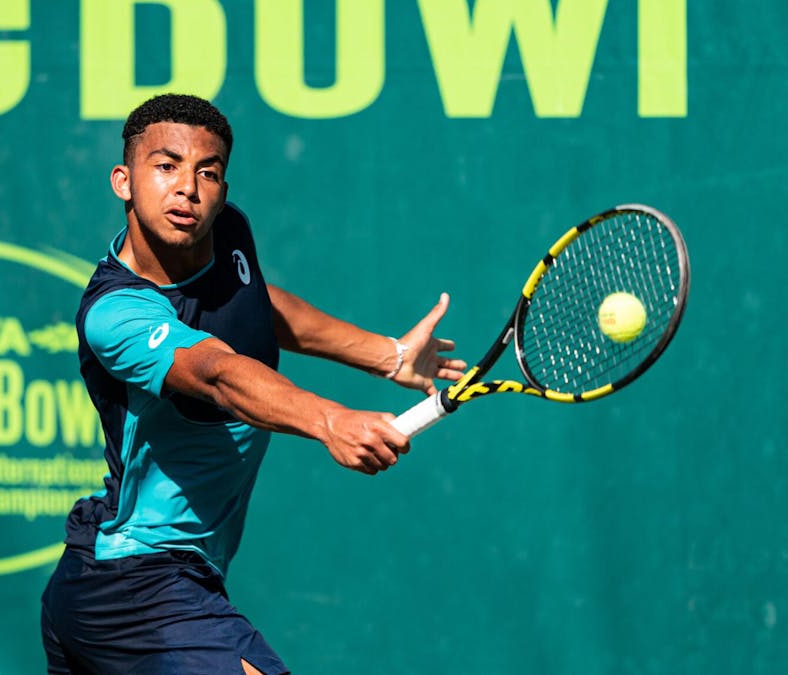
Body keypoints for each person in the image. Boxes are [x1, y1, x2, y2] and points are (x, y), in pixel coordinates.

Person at [40, 93, 467, 675]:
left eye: (207, 173)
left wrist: (386, 356)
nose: (188, 188)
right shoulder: (115, 315)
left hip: (162, 578)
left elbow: (256, 305)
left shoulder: (227, 233)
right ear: (124, 181)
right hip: (134, 583)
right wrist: (330, 420)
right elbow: (218, 374)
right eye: (166, 166)